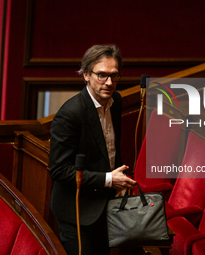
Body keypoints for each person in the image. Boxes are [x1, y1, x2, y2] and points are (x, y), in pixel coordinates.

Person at [49, 45, 136, 255]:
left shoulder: (116, 101)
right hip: (77, 212)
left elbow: (110, 149)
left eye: (114, 76)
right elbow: (59, 170)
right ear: (86, 74)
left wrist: (119, 180)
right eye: (102, 75)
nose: (109, 83)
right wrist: (108, 179)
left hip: (106, 206)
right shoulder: (70, 114)